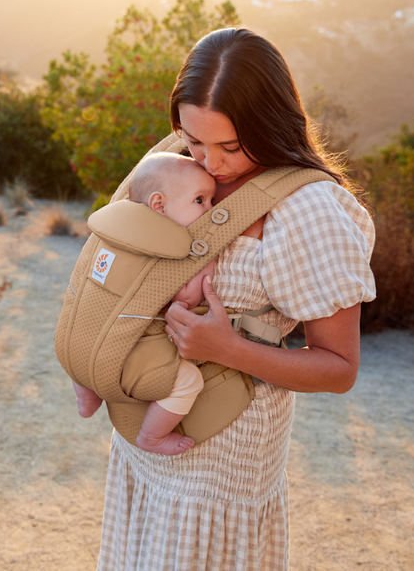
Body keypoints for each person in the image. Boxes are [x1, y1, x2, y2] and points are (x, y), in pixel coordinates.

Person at [90, 28, 376, 571]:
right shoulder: (172, 162)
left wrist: (225, 347)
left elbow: (340, 369)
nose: (210, 163)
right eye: (195, 139)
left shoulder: (309, 209)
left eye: (230, 146)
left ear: (270, 123)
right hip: (145, 438)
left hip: (222, 463)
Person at [72, 152, 216, 455]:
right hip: (125, 356)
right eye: (201, 200)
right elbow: (186, 299)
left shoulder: (113, 233)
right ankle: (152, 436)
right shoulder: (172, 249)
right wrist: (207, 266)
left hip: (77, 344)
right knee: (188, 380)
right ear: (159, 205)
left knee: (83, 342)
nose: (211, 208)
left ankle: (86, 394)